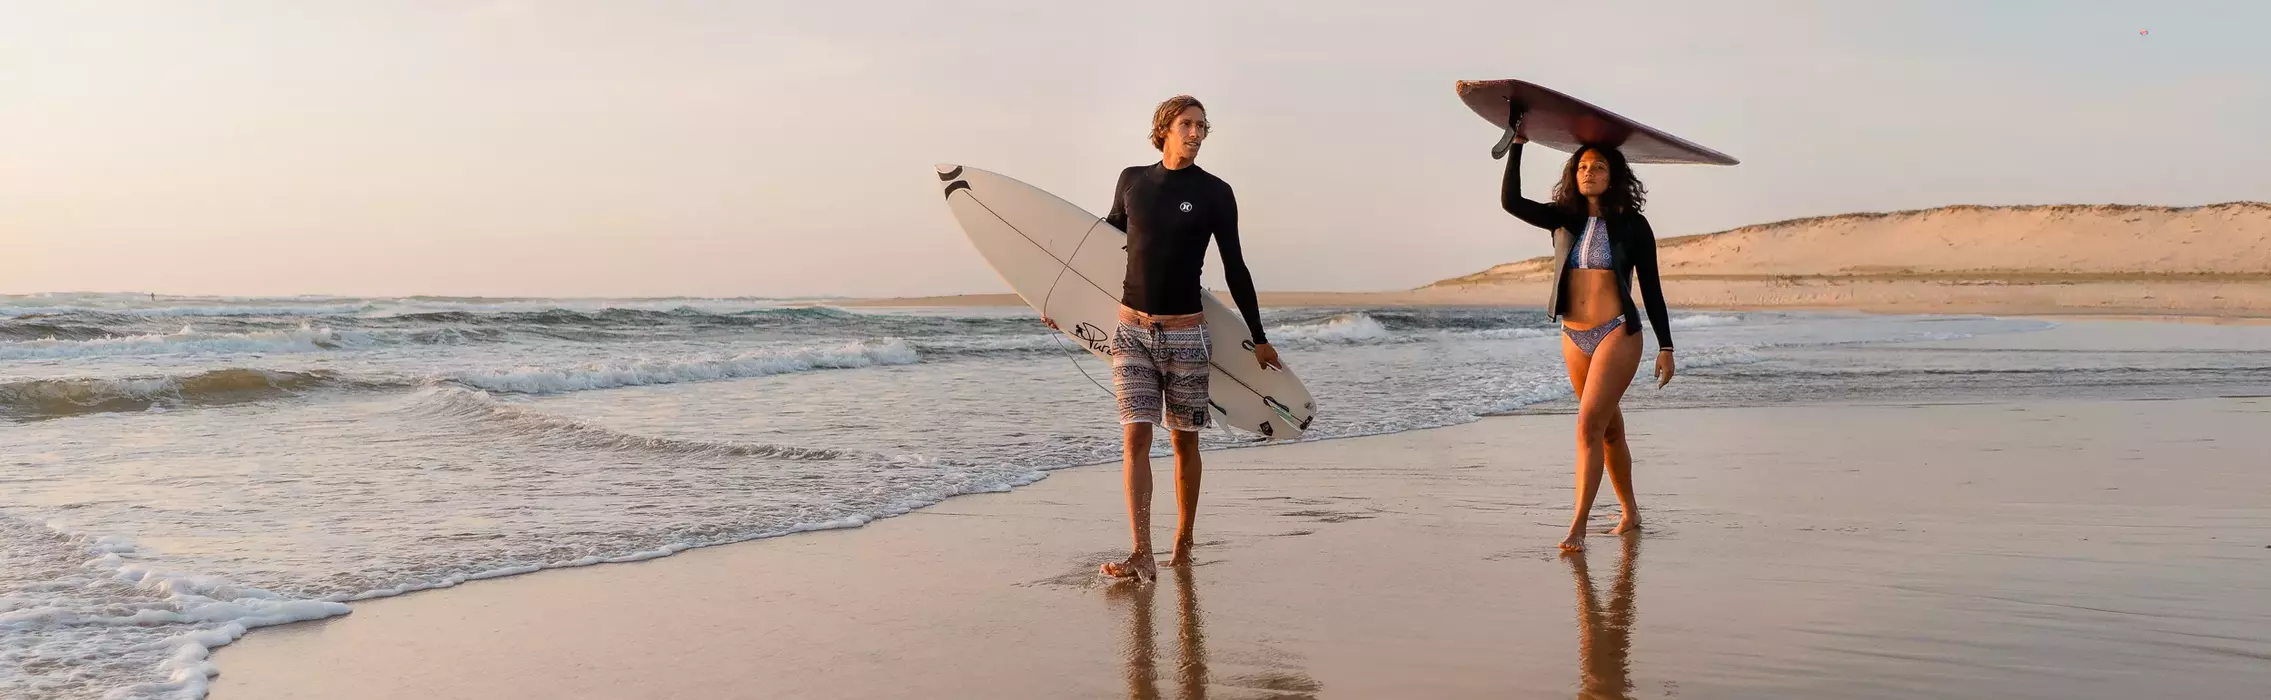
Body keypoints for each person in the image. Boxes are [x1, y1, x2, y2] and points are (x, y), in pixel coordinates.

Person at [1046, 95, 1279, 582]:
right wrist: (1065, 308)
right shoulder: (1132, 181)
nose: (1196, 133)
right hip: (1131, 330)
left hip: (1188, 334)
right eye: (1187, 125)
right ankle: (1140, 552)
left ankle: (1183, 538)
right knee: (1135, 436)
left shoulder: (1216, 193)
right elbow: (1105, 249)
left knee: (1183, 442)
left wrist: (1258, 337)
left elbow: (1235, 267)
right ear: (1164, 129)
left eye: (1202, 126)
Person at [1498, 117, 1676, 552]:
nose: (1588, 173)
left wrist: (1666, 345)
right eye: (1581, 167)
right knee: (1609, 429)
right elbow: (1510, 201)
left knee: (1586, 426)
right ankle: (1630, 511)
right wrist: (1518, 143)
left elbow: (1651, 287)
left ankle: (1577, 525)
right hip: (1574, 336)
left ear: (1613, 175)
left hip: (1617, 331)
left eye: (1597, 167)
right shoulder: (1562, 218)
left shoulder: (1634, 225)